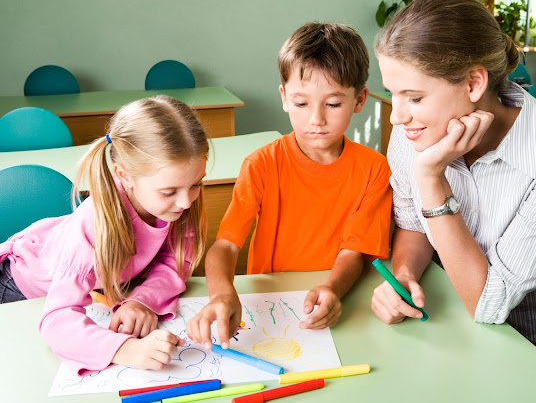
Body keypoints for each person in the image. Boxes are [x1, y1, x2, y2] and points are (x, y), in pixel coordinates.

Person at [369, 0, 536, 402]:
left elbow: (489, 303)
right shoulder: (414, 134)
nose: (396, 115)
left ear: (475, 82)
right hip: (471, 335)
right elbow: (412, 224)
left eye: (415, 97)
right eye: (394, 93)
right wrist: (405, 274)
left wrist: (431, 178)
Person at [187, 22, 392, 350]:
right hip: (272, 306)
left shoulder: (375, 169)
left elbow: (354, 252)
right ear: (284, 98)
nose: (317, 118)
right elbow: (225, 247)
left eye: (333, 104)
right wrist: (222, 294)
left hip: (339, 300)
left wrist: (332, 288)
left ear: (359, 100)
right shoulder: (261, 164)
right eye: (301, 103)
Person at [0, 95, 210, 375]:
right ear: (125, 176)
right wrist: (125, 349)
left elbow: (177, 259)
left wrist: (142, 300)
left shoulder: (177, 198)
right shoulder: (96, 223)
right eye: (169, 192)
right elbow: (56, 320)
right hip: (21, 287)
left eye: (196, 184)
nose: (186, 202)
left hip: (94, 284)